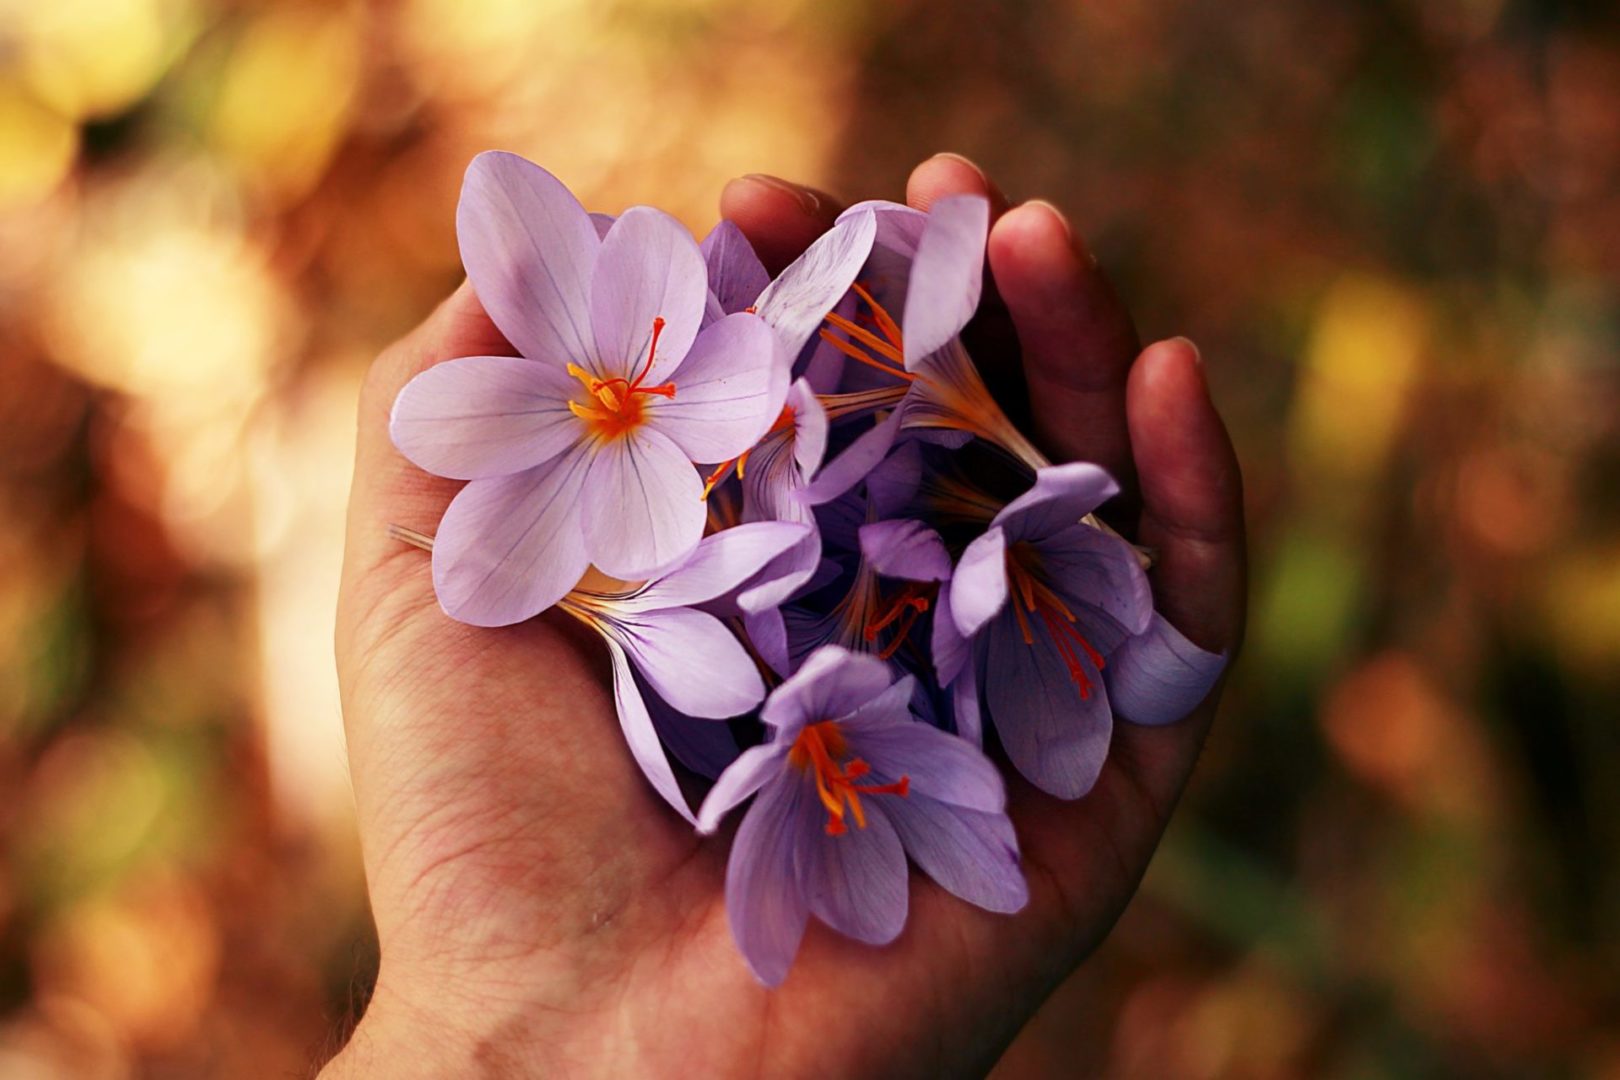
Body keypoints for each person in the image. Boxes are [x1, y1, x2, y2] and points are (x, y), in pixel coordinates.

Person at [322, 153, 1246, 1077]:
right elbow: (513, 562)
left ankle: (992, 477)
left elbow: (751, 410)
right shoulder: (591, 509)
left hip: (779, 478)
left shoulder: (750, 440)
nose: (605, 397)